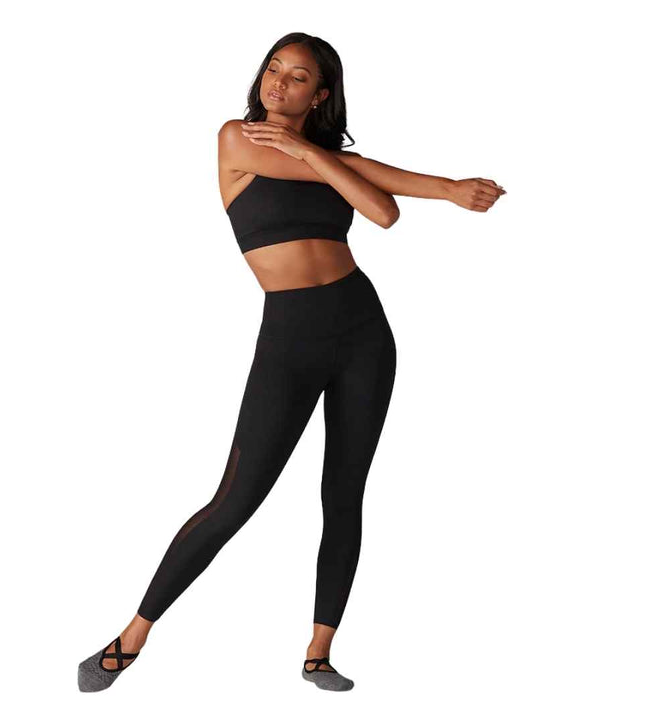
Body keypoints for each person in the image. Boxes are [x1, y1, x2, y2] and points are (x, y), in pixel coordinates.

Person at [78, 32, 506, 694]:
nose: (279, 82)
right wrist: (434, 186)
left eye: (299, 76)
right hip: (290, 337)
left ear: (321, 94)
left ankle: (319, 652)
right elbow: (379, 203)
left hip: (363, 332)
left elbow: (380, 205)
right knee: (235, 499)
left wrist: (439, 186)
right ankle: (131, 637)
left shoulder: (328, 157)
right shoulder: (237, 138)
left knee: (344, 493)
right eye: (273, 69)